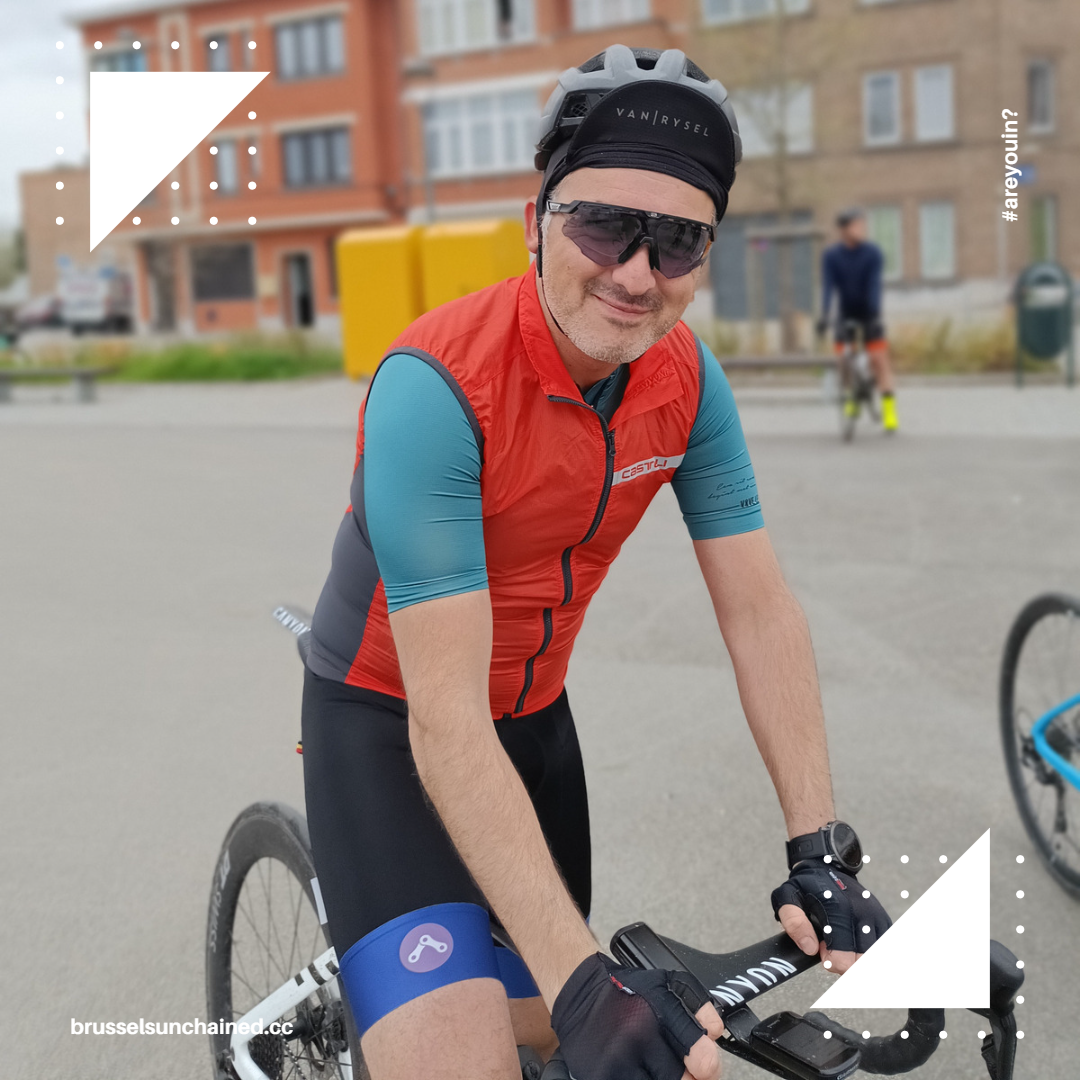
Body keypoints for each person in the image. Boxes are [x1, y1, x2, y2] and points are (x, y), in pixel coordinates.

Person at [302, 45, 891, 1080]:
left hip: (530, 726)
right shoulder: (435, 388)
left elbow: (758, 609)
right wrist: (583, 985)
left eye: (676, 242)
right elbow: (444, 722)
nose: (633, 274)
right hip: (393, 726)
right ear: (541, 216)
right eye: (604, 224)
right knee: (476, 1059)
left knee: (561, 1041)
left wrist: (818, 847)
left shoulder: (687, 380)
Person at [818, 208, 899, 432]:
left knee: (879, 360)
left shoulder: (872, 253)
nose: (861, 229)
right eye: (856, 225)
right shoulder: (832, 256)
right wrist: (824, 315)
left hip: (869, 312)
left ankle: (889, 411)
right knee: (843, 360)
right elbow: (828, 287)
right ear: (844, 229)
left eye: (862, 225)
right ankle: (851, 400)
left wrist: (873, 312)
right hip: (846, 313)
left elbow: (874, 284)